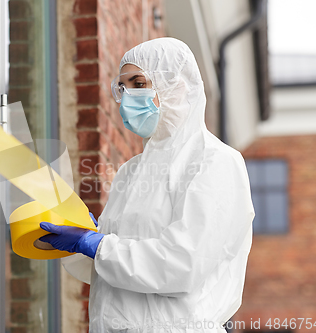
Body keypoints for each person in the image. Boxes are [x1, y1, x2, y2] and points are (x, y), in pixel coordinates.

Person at [39, 38, 254, 332]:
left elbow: (182, 265)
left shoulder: (216, 162)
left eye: (139, 83)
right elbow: (113, 268)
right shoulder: (131, 172)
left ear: (177, 85)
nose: (129, 96)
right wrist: (81, 241)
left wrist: (97, 244)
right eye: (123, 87)